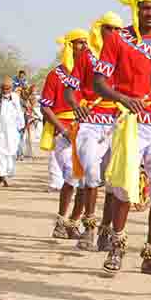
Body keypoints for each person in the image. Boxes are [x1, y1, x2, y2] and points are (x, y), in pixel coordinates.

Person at [92, 0, 151, 277]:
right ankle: (117, 245)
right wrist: (123, 98)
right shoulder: (117, 39)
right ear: (136, 9)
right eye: (145, 7)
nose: (150, 13)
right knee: (125, 186)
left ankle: (150, 254)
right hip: (130, 122)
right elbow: (99, 82)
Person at [65, 11, 124, 251]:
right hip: (90, 120)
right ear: (99, 29)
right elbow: (70, 88)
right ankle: (88, 227)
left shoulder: (127, 54)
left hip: (118, 121)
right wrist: (75, 105)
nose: (113, 33)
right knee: (90, 173)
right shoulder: (87, 58)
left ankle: (105, 232)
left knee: (113, 180)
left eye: (118, 29)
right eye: (109, 28)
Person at [44, 30, 88, 239]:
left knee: (86, 181)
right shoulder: (56, 75)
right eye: (79, 43)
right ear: (70, 46)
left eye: (86, 43)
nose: (83, 47)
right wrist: (62, 130)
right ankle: (61, 222)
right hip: (63, 133)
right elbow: (45, 107)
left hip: (86, 131)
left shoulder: (90, 74)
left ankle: (72, 223)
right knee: (73, 175)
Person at [0, 76, 25, 186]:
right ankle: (2, 174)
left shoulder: (15, 99)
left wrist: (21, 126)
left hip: (12, 132)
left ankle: (7, 172)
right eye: (4, 88)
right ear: (1, 88)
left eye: (8, 88)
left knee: (12, 153)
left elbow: (19, 113)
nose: (5, 90)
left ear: (11, 88)